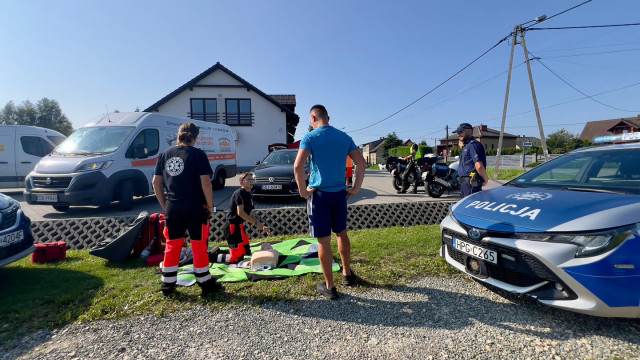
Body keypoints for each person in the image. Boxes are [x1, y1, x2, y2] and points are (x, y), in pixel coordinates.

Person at [294, 104, 366, 300]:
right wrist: (356, 188)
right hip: (339, 194)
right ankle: (347, 275)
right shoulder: (344, 137)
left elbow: (298, 165)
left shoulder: (310, 137)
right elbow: (361, 162)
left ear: (312, 118)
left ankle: (330, 287)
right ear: (328, 117)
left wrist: (303, 191)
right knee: (342, 234)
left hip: (320, 196)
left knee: (323, 241)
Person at [152, 122, 221, 297]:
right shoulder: (198, 155)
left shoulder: (165, 155)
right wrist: (211, 206)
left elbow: (156, 183)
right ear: (196, 137)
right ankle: (205, 284)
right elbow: (206, 183)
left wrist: (166, 206)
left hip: (173, 207)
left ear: (178, 135)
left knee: (172, 245)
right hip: (195, 207)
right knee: (198, 245)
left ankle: (167, 287)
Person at [216, 172, 271, 264]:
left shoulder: (249, 195)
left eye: (252, 179)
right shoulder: (239, 193)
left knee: (246, 251)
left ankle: (228, 253)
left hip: (239, 225)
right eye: (248, 179)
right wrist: (256, 223)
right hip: (232, 226)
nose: (251, 181)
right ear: (241, 182)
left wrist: (261, 225)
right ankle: (212, 256)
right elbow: (240, 212)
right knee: (236, 259)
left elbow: (250, 215)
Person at [453, 123, 488, 198]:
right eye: (458, 132)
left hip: (471, 183)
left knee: (469, 206)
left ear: (470, 131)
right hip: (465, 183)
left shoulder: (473, 145)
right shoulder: (467, 146)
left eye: (461, 132)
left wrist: (485, 178)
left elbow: (478, 165)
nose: (458, 134)